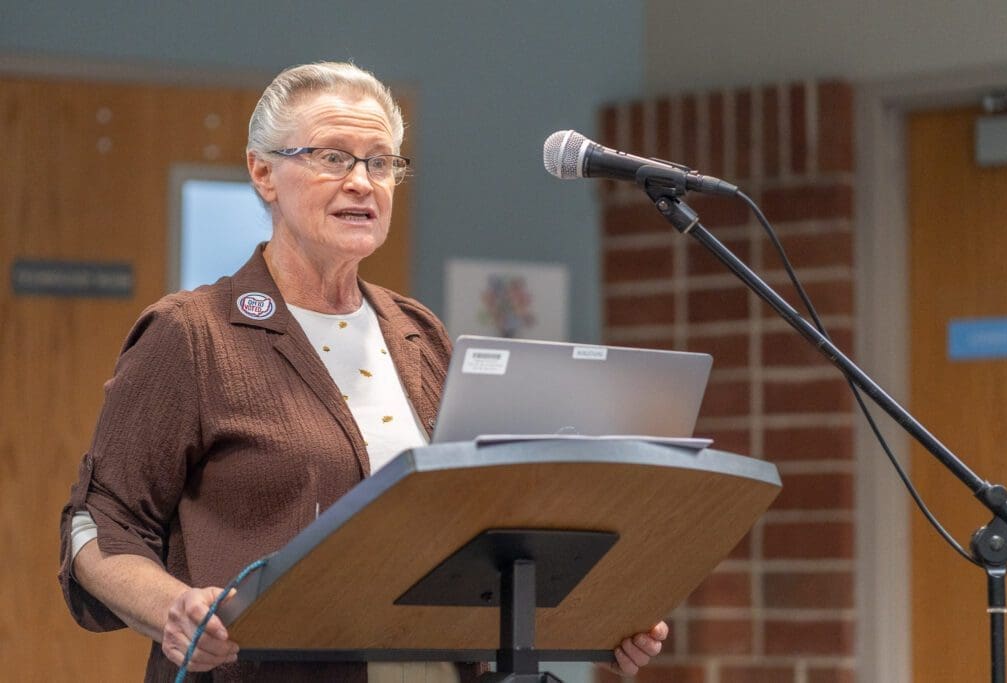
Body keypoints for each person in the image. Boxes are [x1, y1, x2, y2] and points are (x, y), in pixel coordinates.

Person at [58, 61, 668, 682]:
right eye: (332, 157)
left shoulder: (421, 335)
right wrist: (173, 608)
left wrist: (596, 611)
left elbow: (484, 530)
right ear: (263, 172)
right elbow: (99, 524)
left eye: (381, 162)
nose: (362, 182)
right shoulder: (194, 333)